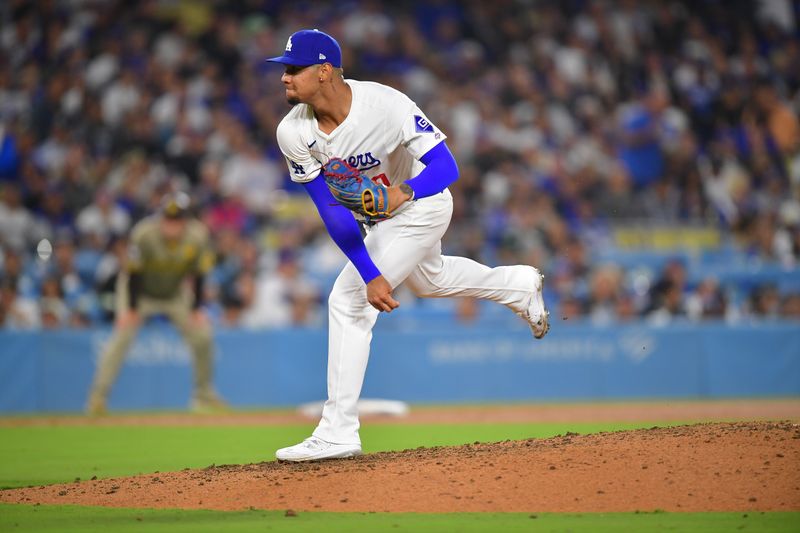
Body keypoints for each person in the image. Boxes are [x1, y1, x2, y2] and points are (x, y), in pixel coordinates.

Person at [267, 29, 549, 462]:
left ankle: (337, 431)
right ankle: (518, 285)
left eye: (293, 69)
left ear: (324, 71)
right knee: (431, 281)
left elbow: (446, 166)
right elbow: (331, 210)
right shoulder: (293, 132)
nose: (284, 78)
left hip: (424, 205)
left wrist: (405, 193)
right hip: (377, 222)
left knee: (346, 301)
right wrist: (369, 270)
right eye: (283, 70)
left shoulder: (385, 104)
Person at [85, 191, 226, 415]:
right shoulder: (144, 233)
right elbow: (133, 273)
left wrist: (196, 309)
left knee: (203, 335)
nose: (171, 225)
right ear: (160, 218)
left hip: (174, 292)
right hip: (139, 292)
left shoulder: (198, 235)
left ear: (185, 221)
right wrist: (130, 309)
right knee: (121, 338)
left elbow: (199, 274)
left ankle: (203, 395)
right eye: (167, 219)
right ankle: (97, 398)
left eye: (177, 220)